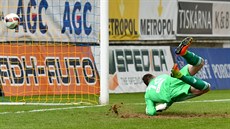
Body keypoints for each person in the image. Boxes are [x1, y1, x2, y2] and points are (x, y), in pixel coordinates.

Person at [142, 37, 210, 116]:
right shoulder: (160, 77)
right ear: (153, 77)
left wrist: (149, 110)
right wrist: (166, 105)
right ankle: (184, 53)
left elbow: (151, 112)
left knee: (205, 88)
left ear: (147, 84)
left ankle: (181, 77)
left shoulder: (147, 94)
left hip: (172, 92)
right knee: (200, 63)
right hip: (172, 79)